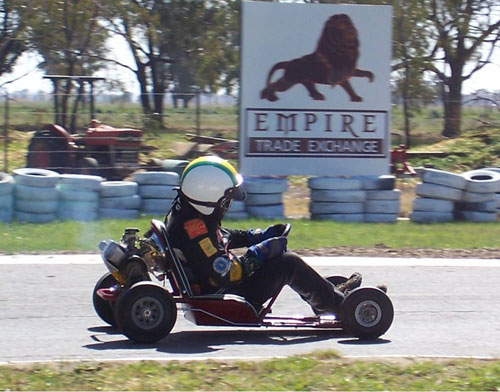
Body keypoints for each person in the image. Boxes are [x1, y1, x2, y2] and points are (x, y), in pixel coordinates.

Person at [165, 156, 362, 315]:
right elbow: (227, 273)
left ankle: (327, 297)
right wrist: (259, 253)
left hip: (218, 285)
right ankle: (344, 307)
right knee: (288, 263)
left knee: (279, 253)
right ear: (208, 195)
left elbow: (220, 237)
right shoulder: (194, 231)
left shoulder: (186, 215)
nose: (227, 204)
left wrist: (255, 236)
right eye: (226, 199)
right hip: (227, 295)